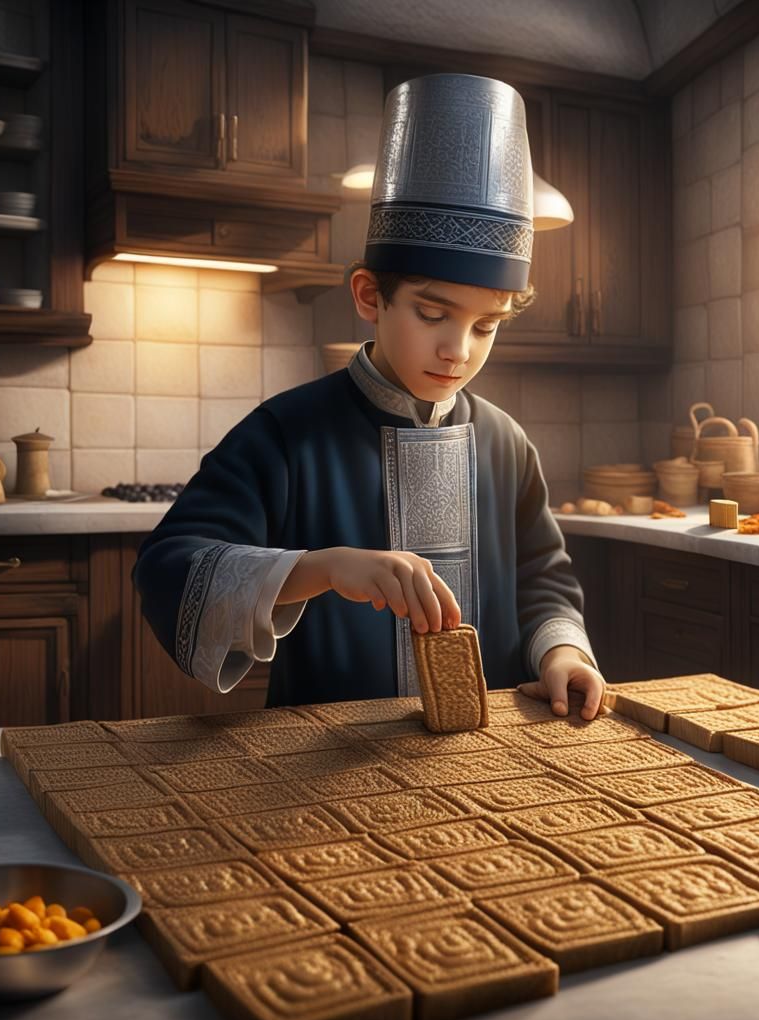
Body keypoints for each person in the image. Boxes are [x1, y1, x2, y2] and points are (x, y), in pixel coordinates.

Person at [133, 73, 606, 720]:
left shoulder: (505, 444)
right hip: (321, 761)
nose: (458, 351)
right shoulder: (287, 434)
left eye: (485, 325)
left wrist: (563, 655)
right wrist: (322, 569)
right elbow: (170, 569)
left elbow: (543, 582)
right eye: (433, 313)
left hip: (491, 758)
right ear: (367, 297)